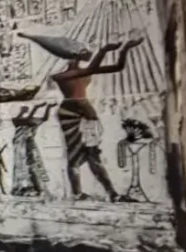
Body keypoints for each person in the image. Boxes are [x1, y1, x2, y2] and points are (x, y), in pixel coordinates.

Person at [49, 38, 143, 201]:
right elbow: (91, 69)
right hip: (71, 115)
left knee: (93, 155)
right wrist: (104, 50)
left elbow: (118, 67)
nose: (86, 53)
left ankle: (112, 194)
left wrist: (124, 49)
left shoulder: (82, 71)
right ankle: (77, 193)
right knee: (74, 155)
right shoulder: (61, 75)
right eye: (81, 51)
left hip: (87, 115)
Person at [10, 102, 54, 196]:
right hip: (21, 146)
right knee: (24, 166)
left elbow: (43, 119)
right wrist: (36, 108)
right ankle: (26, 188)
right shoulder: (18, 121)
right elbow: (27, 120)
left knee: (34, 165)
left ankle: (37, 188)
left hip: (28, 144)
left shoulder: (26, 121)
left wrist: (47, 108)